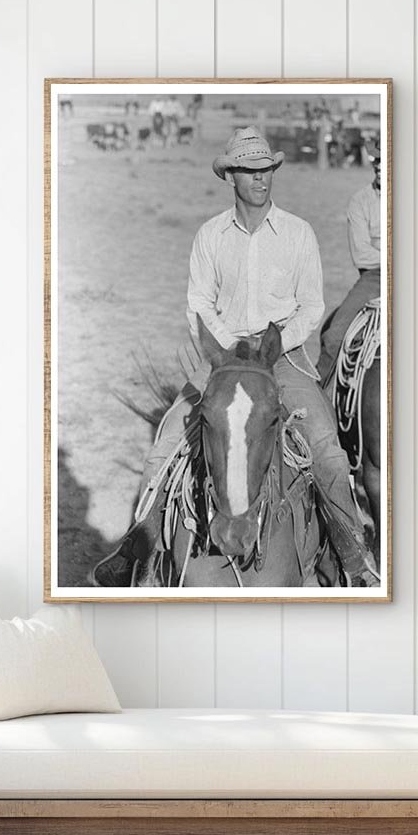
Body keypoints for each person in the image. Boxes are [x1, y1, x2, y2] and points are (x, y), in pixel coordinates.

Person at [94, 127, 378, 588]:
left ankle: (352, 558)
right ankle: (137, 554)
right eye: (249, 170)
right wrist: (226, 351)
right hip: (222, 358)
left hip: (281, 357)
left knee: (326, 448)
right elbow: (199, 304)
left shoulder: (297, 233)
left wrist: (274, 345)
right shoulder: (210, 236)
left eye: (266, 169)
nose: (261, 178)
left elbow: (312, 305)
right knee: (166, 443)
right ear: (231, 177)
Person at [317, 137, 382, 382]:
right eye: (376, 159)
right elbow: (361, 254)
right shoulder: (361, 201)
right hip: (374, 279)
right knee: (334, 337)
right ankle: (315, 402)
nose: (378, 165)